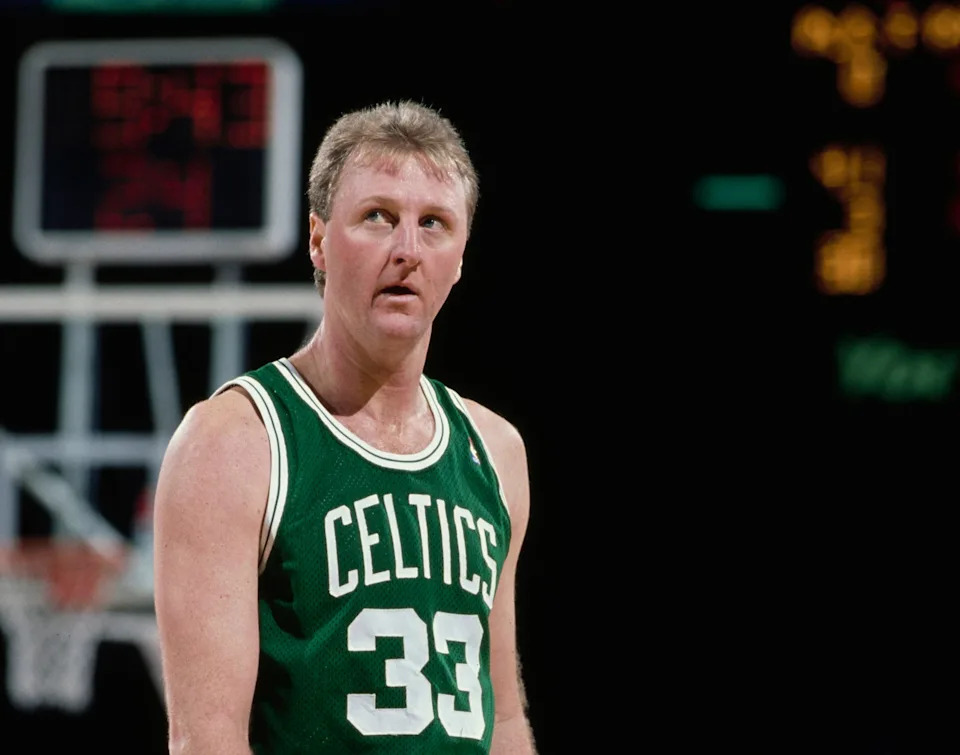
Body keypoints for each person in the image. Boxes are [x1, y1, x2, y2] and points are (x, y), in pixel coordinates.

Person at [153, 100, 537, 754]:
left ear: (462, 256)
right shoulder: (233, 442)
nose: (407, 250)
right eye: (378, 217)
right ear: (319, 239)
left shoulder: (494, 450)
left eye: (435, 223)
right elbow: (206, 738)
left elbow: (500, 719)